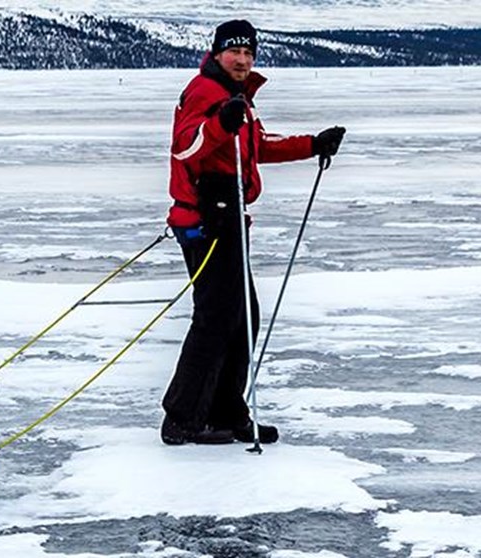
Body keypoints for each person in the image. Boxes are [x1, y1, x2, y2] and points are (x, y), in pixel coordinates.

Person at [162, 20, 347, 445]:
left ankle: (226, 413)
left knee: (243, 317)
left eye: (249, 53)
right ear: (218, 53)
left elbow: (257, 145)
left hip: (229, 217)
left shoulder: (237, 97)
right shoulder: (205, 91)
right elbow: (185, 147)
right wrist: (220, 123)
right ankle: (183, 419)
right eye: (235, 52)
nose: (243, 60)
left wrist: (312, 144)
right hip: (204, 221)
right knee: (217, 318)